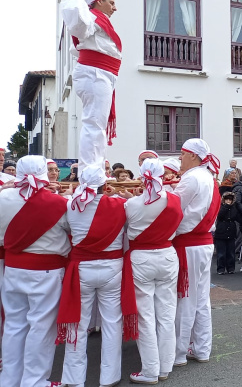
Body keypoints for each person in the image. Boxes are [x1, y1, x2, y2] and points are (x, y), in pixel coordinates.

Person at [0, 156, 71, 386]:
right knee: (41, 326)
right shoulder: (58, 203)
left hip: (13, 268)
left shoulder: (3, 198)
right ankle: (35, 380)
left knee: (13, 325)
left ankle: (9, 379)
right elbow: (71, 230)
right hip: (46, 270)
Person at [58, 164, 126, 387]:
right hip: (112, 267)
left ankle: (73, 378)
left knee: (77, 323)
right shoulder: (120, 204)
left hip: (81, 268)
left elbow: (66, 227)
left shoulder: (71, 205)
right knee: (112, 322)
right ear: (106, 184)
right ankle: (110, 376)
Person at [123, 158, 184, 384]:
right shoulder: (175, 200)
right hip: (167, 255)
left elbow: (126, 226)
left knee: (145, 316)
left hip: (141, 258)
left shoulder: (131, 204)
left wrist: (130, 199)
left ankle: (150, 370)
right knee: (167, 314)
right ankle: (165, 366)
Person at [172, 139, 221, 367]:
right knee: (201, 299)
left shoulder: (192, 177)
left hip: (188, 243)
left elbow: (173, 209)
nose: (180, 158)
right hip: (204, 242)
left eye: (182, 153)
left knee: (185, 299)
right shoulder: (209, 176)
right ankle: (201, 348)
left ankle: (178, 352)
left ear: (193, 155)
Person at [61, 0, 121, 171]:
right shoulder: (92, 18)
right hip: (96, 72)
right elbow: (78, 24)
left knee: (97, 124)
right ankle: (91, 170)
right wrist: (82, 7)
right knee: (94, 123)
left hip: (101, 73)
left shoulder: (97, 20)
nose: (115, 8)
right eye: (111, 3)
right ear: (99, 2)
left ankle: (96, 168)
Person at [215, 192, 238, 275]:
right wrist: (226, 207)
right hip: (221, 230)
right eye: (227, 199)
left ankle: (230, 268)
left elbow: (236, 216)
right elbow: (219, 215)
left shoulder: (234, 208)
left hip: (231, 230)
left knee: (231, 252)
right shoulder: (220, 207)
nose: (228, 201)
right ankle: (220, 268)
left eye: (230, 200)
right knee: (221, 253)